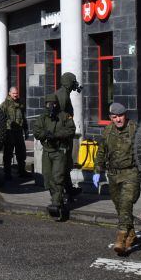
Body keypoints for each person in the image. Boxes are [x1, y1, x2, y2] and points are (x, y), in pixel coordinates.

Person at [93, 102, 141, 256]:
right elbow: (101, 151)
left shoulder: (135, 128)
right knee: (120, 207)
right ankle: (132, 234)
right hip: (113, 174)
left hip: (131, 173)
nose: (118, 120)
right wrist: (97, 170)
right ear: (111, 118)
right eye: (115, 117)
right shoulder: (108, 131)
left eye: (120, 116)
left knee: (126, 203)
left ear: (125, 115)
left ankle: (121, 238)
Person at [31, 97, 76, 221]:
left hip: (59, 151)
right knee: (47, 176)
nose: (51, 106)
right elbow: (36, 130)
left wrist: (56, 135)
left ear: (57, 104)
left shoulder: (64, 116)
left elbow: (71, 130)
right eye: (48, 104)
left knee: (57, 177)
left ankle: (56, 203)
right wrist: (45, 134)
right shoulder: (43, 117)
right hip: (47, 151)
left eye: (53, 104)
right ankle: (56, 199)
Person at [50, 72, 82, 200]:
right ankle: (60, 193)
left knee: (66, 163)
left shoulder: (63, 94)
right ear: (69, 82)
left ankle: (68, 189)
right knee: (62, 164)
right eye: (73, 81)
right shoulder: (62, 95)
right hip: (62, 136)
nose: (75, 83)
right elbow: (60, 117)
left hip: (64, 135)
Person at [0, 86, 28, 180]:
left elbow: (24, 118)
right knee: (8, 154)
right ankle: (7, 173)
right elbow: (1, 119)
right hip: (9, 132)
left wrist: (26, 130)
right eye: (14, 93)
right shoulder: (4, 105)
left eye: (16, 93)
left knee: (21, 152)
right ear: (9, 93)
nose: (15, 95)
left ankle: (22, 171)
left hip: (19, 132)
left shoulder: (20, 104)